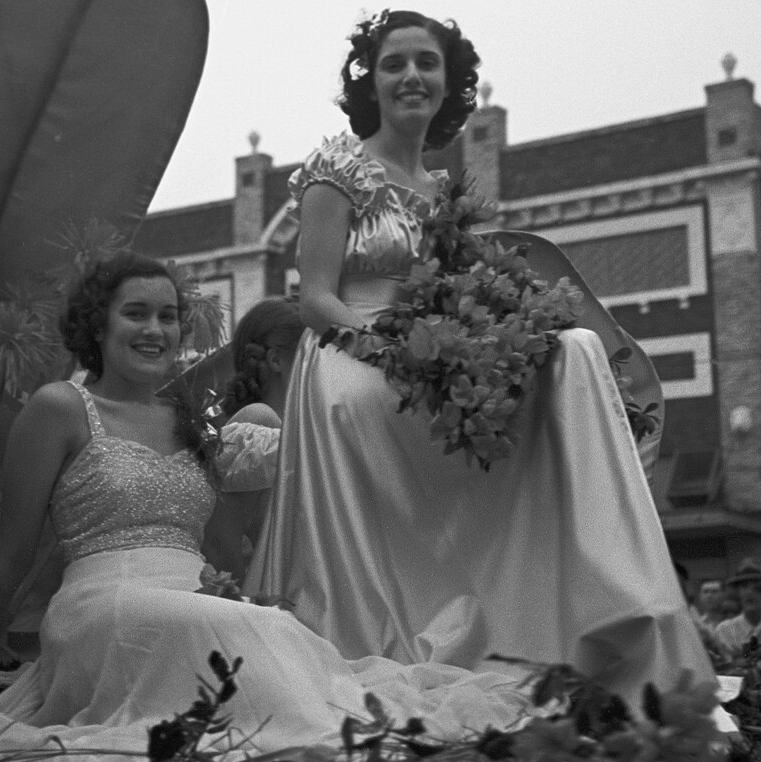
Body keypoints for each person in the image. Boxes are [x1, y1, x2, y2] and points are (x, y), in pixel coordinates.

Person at [0, 253, 531, 759]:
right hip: (103, 602)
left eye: (169, 317)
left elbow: (223, 545)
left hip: (190, 593)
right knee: (223, 627)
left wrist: (271, 485)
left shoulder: (195, 414)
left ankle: (322, 729)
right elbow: (10, 551)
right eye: (136, 314)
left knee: (261, 622)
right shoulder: (60, 408)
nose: (156, 329)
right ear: (98, 323)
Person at [244, 8, 715, 713]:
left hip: (434, 357)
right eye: (394, 62)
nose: (410, 76)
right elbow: (314, 298)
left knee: (574, 350)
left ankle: (614, 610)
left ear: (449, 81)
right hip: (349, 355)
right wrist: (396, 352)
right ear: (370, 79)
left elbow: (454, 301)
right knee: (427, 399)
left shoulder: (444, 194)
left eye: (426, 63)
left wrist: (493, 345)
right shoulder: (336, 165)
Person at [205, 297, 303, 579]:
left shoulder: (295, 429)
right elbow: (222, 545)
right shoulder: (258, 421)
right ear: (275, 360)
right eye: (314, 354)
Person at [715, 559, 761, 658]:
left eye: (757, 588)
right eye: (744, 587)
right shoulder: (725, 629)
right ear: (737, 592)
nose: (749, 592)